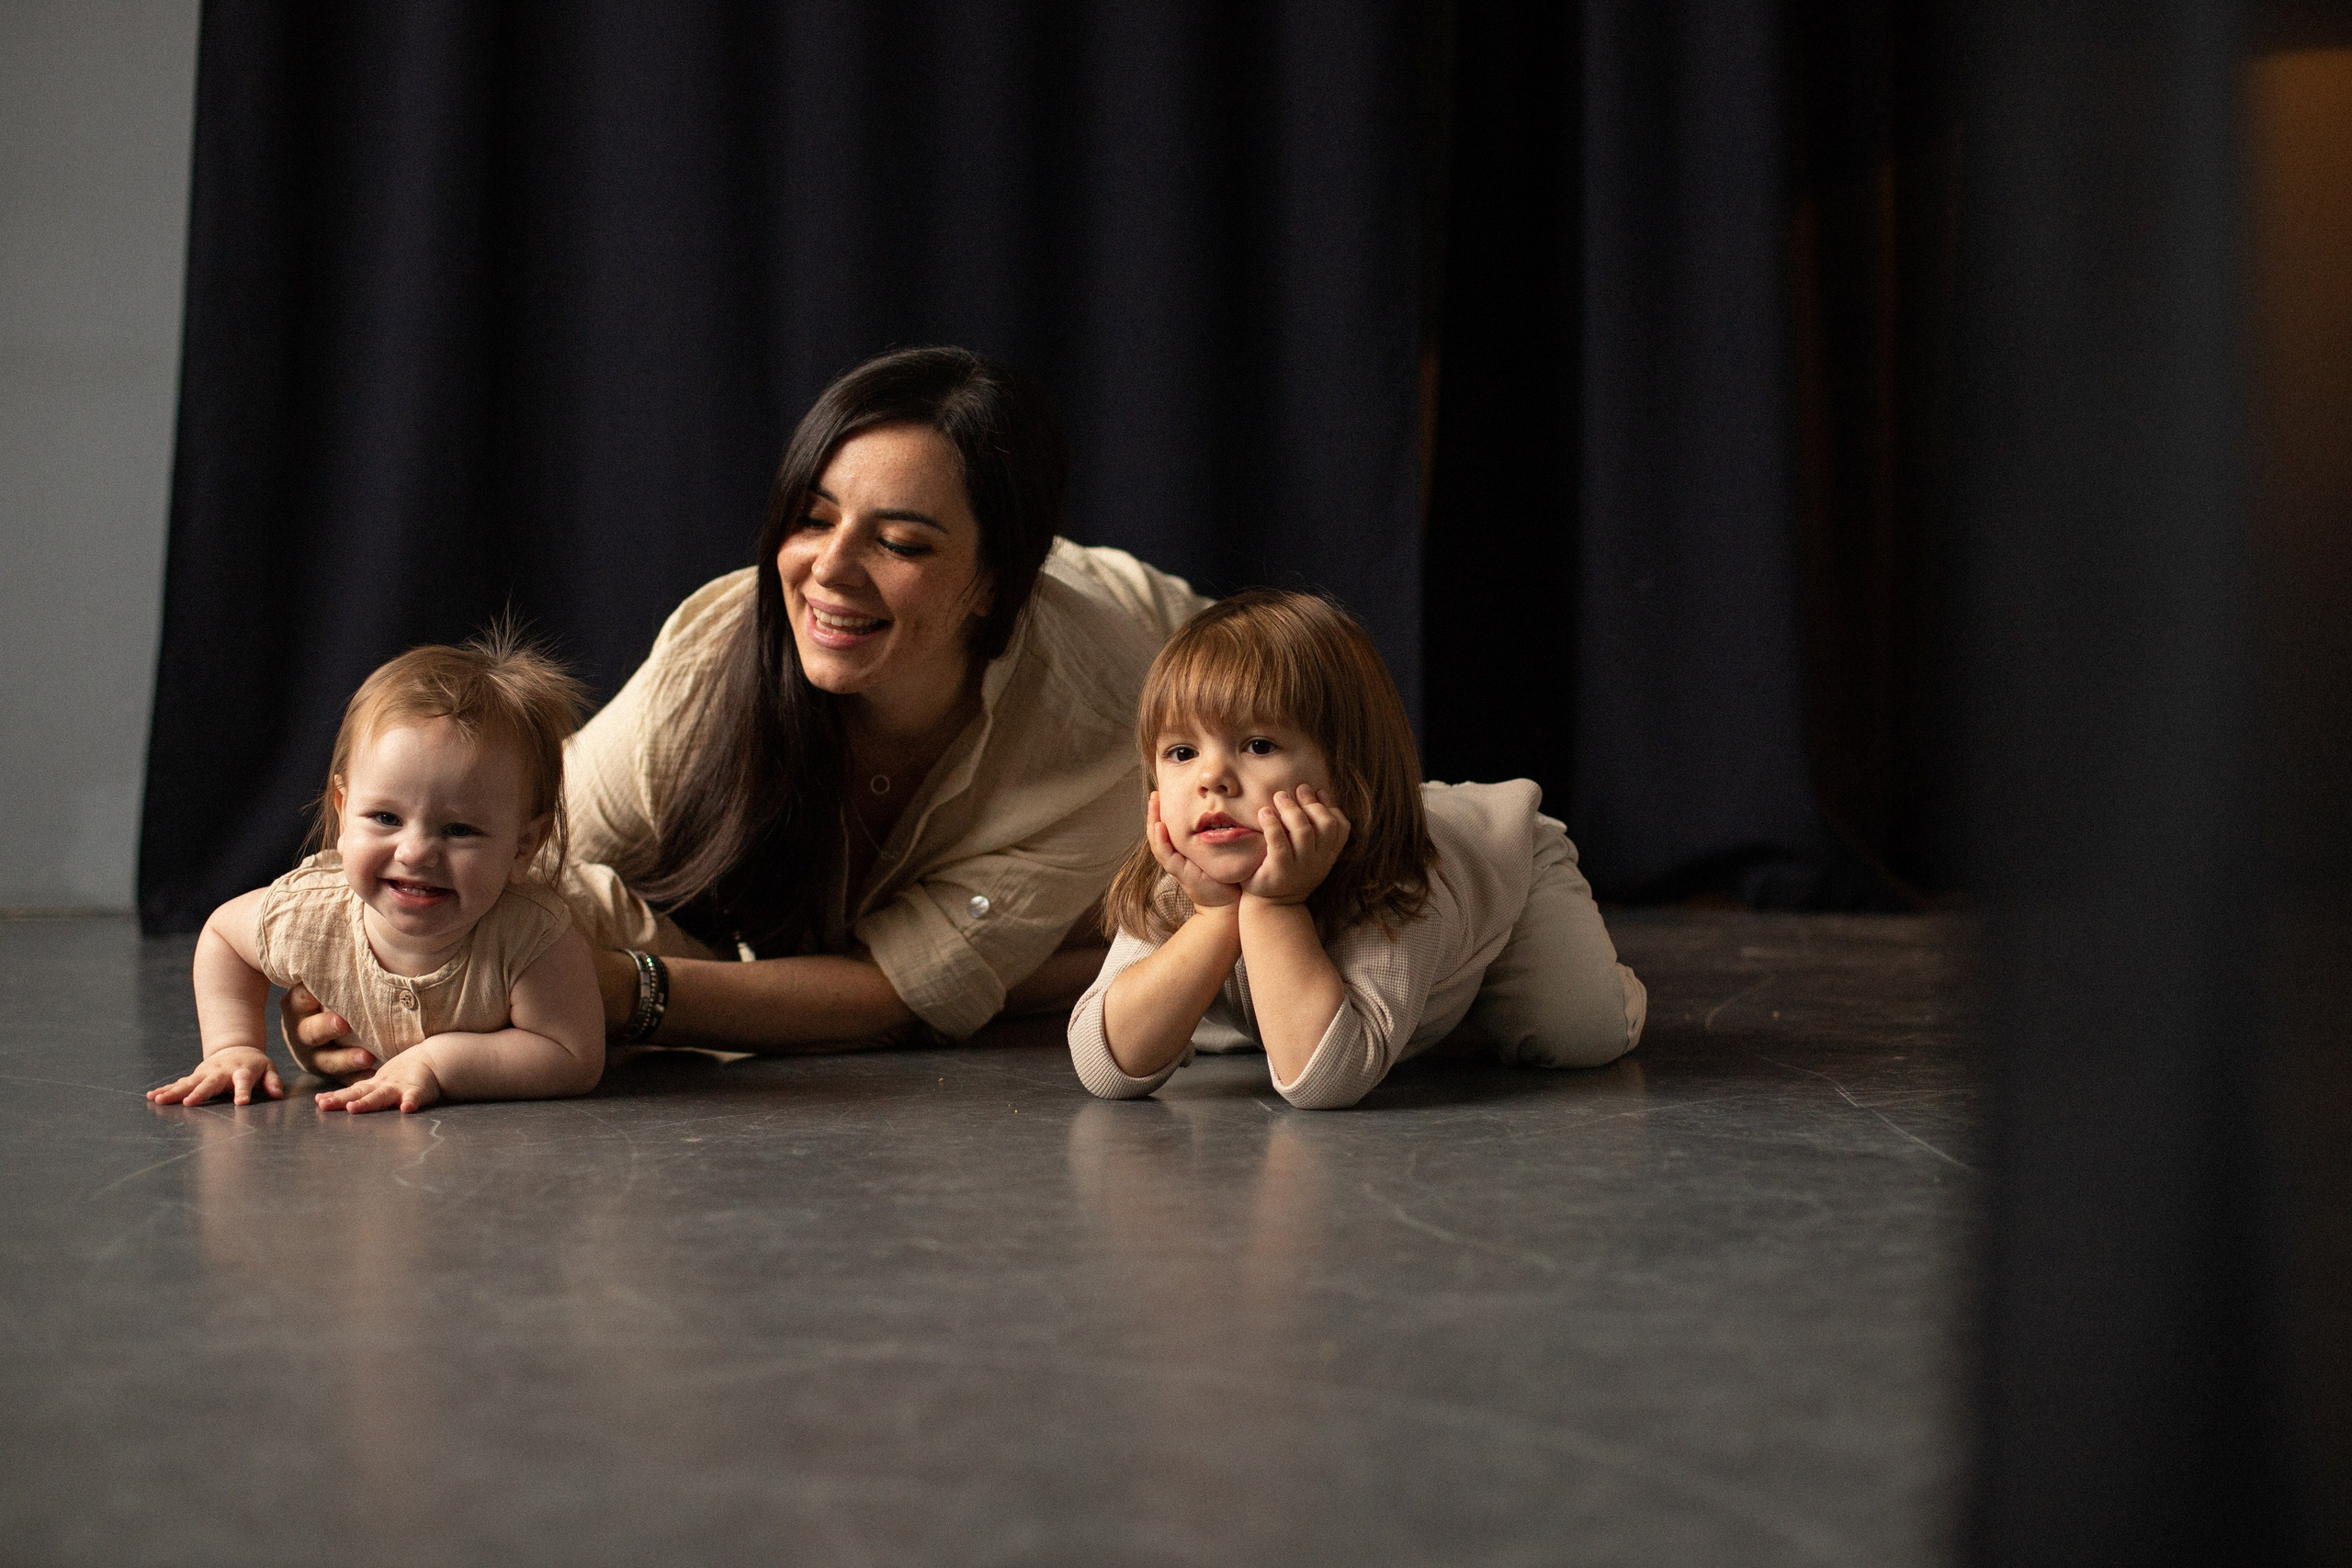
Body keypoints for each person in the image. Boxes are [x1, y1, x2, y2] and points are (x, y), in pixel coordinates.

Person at [283, 346, 1207, 1072]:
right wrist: (347, 974)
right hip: (913, 934)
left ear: (991, 584)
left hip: (1174, 693)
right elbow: (530, 847)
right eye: (812, 519)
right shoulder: (718, 655)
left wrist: (617, 994)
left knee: (1205, 915)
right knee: (547, 899)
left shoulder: (1112, 719)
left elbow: (898, 998)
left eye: (897, 542)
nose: (830, 571)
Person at [1069, 591, 1648, 1111]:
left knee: (1574, 1031)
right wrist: (1216, 915)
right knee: (1218, 1012)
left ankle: (1478, 983)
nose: (1211, 778)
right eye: (1180, 752)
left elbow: (1327, 1083)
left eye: (1259, 744)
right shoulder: (1183, 874)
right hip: (1299, 933)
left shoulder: (1400, 878)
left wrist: (1272, 908)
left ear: (1349, 774)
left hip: (1501, 863)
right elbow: (1104, 1069)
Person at [149, 632, 605, 1114]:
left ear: (523, 846)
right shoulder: (308, 916)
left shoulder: (534, 937)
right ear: (343, 815)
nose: (415, 853)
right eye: (386, 818)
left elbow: (572, 1054)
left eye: (459, 829)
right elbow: (223, 936)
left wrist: (438, 1065)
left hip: (609, 911)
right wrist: (232, 1045)